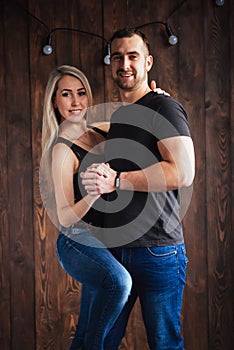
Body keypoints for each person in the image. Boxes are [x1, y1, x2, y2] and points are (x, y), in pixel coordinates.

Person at [81, 28, 195, 350]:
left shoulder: (164, 108)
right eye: (117, 56)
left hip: (158, 251)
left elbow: (183, 172)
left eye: (133, 56)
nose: (124, 63)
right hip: (115, 252)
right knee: (101, 342)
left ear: (148, 62)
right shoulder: (122, 116)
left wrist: (117, 180)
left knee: (164, 344)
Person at [40, 65, 133, 350]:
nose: (76, 101)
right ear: (54, 102)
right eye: (66, 95)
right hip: (77, 240)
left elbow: (137, 124)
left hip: (103, 240)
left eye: (81, 93)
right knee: (119, 283)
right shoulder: (62, 150)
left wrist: (156, 96)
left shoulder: (99, 132)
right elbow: (65, 216)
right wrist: (93, 193)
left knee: (82, 334)